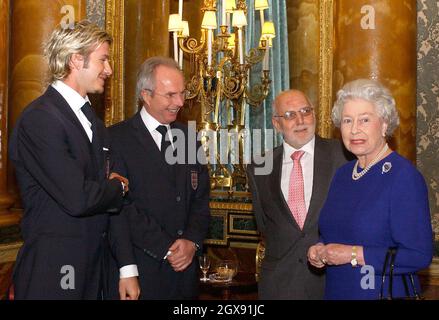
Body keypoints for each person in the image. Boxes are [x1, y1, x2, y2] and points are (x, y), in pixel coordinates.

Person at [8, 20, 139, 300]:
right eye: (103, 60)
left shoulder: (93, 121)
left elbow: (107, 207)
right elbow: (77, 197)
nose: (109, 70)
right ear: (76, 60)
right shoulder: (40, 118)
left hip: (95, 271)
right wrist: (119, 187)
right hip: (54, 273)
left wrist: (127, 267)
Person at [307, 79, 433, 299]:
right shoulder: (343, 174)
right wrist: (320, 248)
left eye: (364, 119)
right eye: (347, 120)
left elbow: (419, 255)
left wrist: (353, 254)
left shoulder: (403, 176)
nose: (354, 129)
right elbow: (337, 232)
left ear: (384, 124)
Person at [108, 56, 211, 299]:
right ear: (146, 95)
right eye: (170, 95)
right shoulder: (116, 139)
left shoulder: (189, 137)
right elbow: (121, 206)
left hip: (185, 272)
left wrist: (191, 242)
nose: (179, 102)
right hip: (141, 269)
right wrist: (165, 247)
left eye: (182, 93)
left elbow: (201, 199)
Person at [246, 89, 351, 299]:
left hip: (333, 280)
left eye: (305, 111)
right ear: (276, 124)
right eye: (290, 115)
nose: (300, 120)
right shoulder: (259, 166)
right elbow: (264, 224)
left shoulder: (343, 156)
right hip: (279, 284)